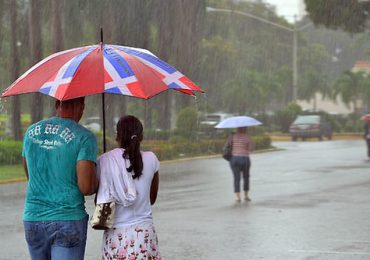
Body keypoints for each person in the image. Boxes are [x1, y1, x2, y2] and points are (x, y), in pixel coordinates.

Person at [22, 97, 98, 260]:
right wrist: (97, 176)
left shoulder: (30, 132)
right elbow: (86, 187)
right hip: (68, 219)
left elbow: (30, 175)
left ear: (57, 104)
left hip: (33, 218)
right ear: (82, 106)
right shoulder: (84, 137)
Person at [97, 115, 161, 259]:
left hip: (115, 234)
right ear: (141, 137)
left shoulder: (105, 160)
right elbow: (152, 198)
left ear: (117, 136)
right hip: (144, 236)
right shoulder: (151, 159)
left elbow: (100, 198)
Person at [226, 127, 253, 202]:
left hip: (234, 159)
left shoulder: (231, 137)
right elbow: (251, 149)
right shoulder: (247, 137)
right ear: (245, 129)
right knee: (246, 177)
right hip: (245, 159)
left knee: (236, 178)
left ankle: (238, 197)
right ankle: (246, 196)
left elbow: (228, 146)